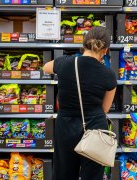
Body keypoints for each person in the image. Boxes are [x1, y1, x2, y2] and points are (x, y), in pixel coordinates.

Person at [43, 27, 117, 180]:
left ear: (84, 45)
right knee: (92, 174)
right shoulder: (108, 75)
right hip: (95, 128)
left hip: (66, 127)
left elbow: (46, 68)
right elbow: (105, 108)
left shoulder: (65, 63)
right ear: (105, 50)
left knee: (64, 172)